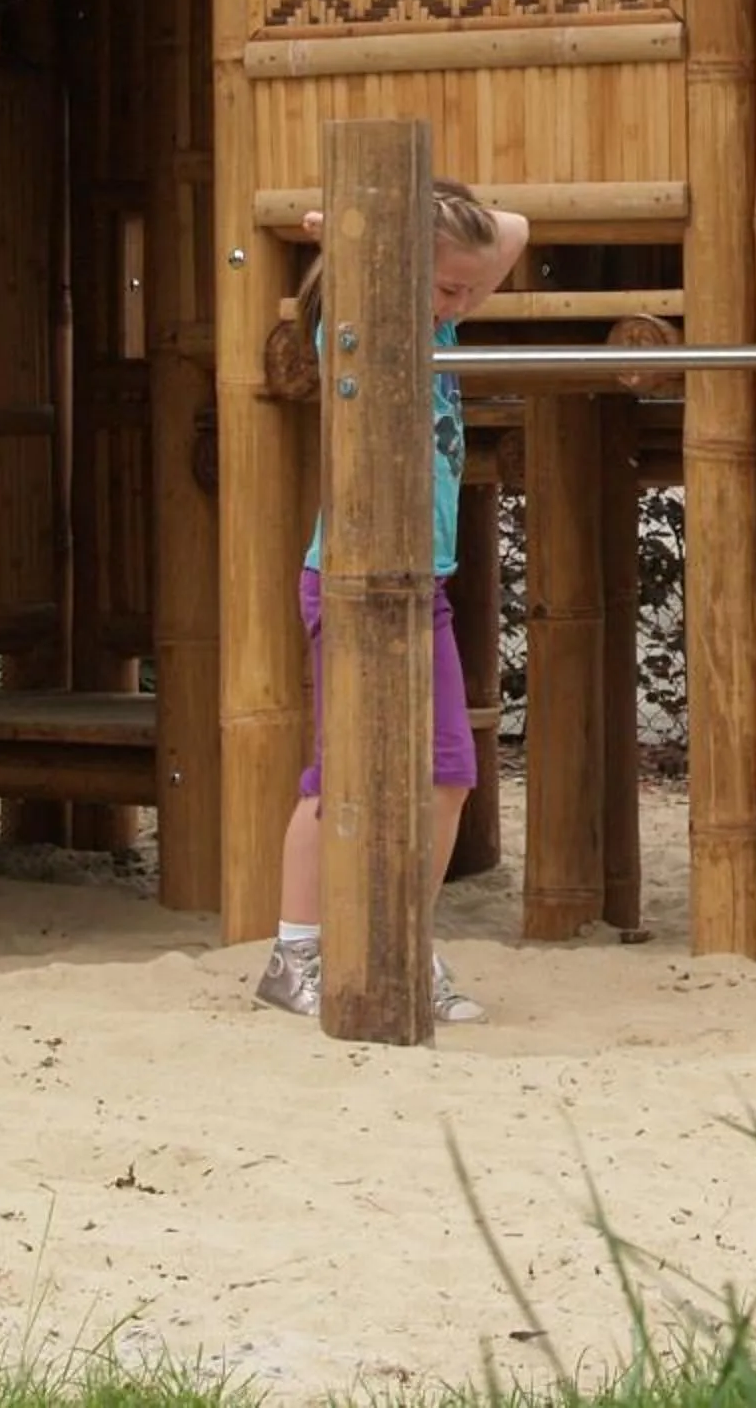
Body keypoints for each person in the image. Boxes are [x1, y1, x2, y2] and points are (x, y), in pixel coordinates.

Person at [255, 180, 530, 1024]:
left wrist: (395, 224)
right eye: (449, 288)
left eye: (467, 290)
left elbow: (511, 232)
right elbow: (375, 277)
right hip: (346, 583)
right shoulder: (355, 323)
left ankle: (402, 940)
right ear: (398, 272)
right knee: (339, 776)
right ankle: (295, 950)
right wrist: (355, 238)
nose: (467, 302)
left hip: (426, 587)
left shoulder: (437, 327)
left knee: (450, 774)